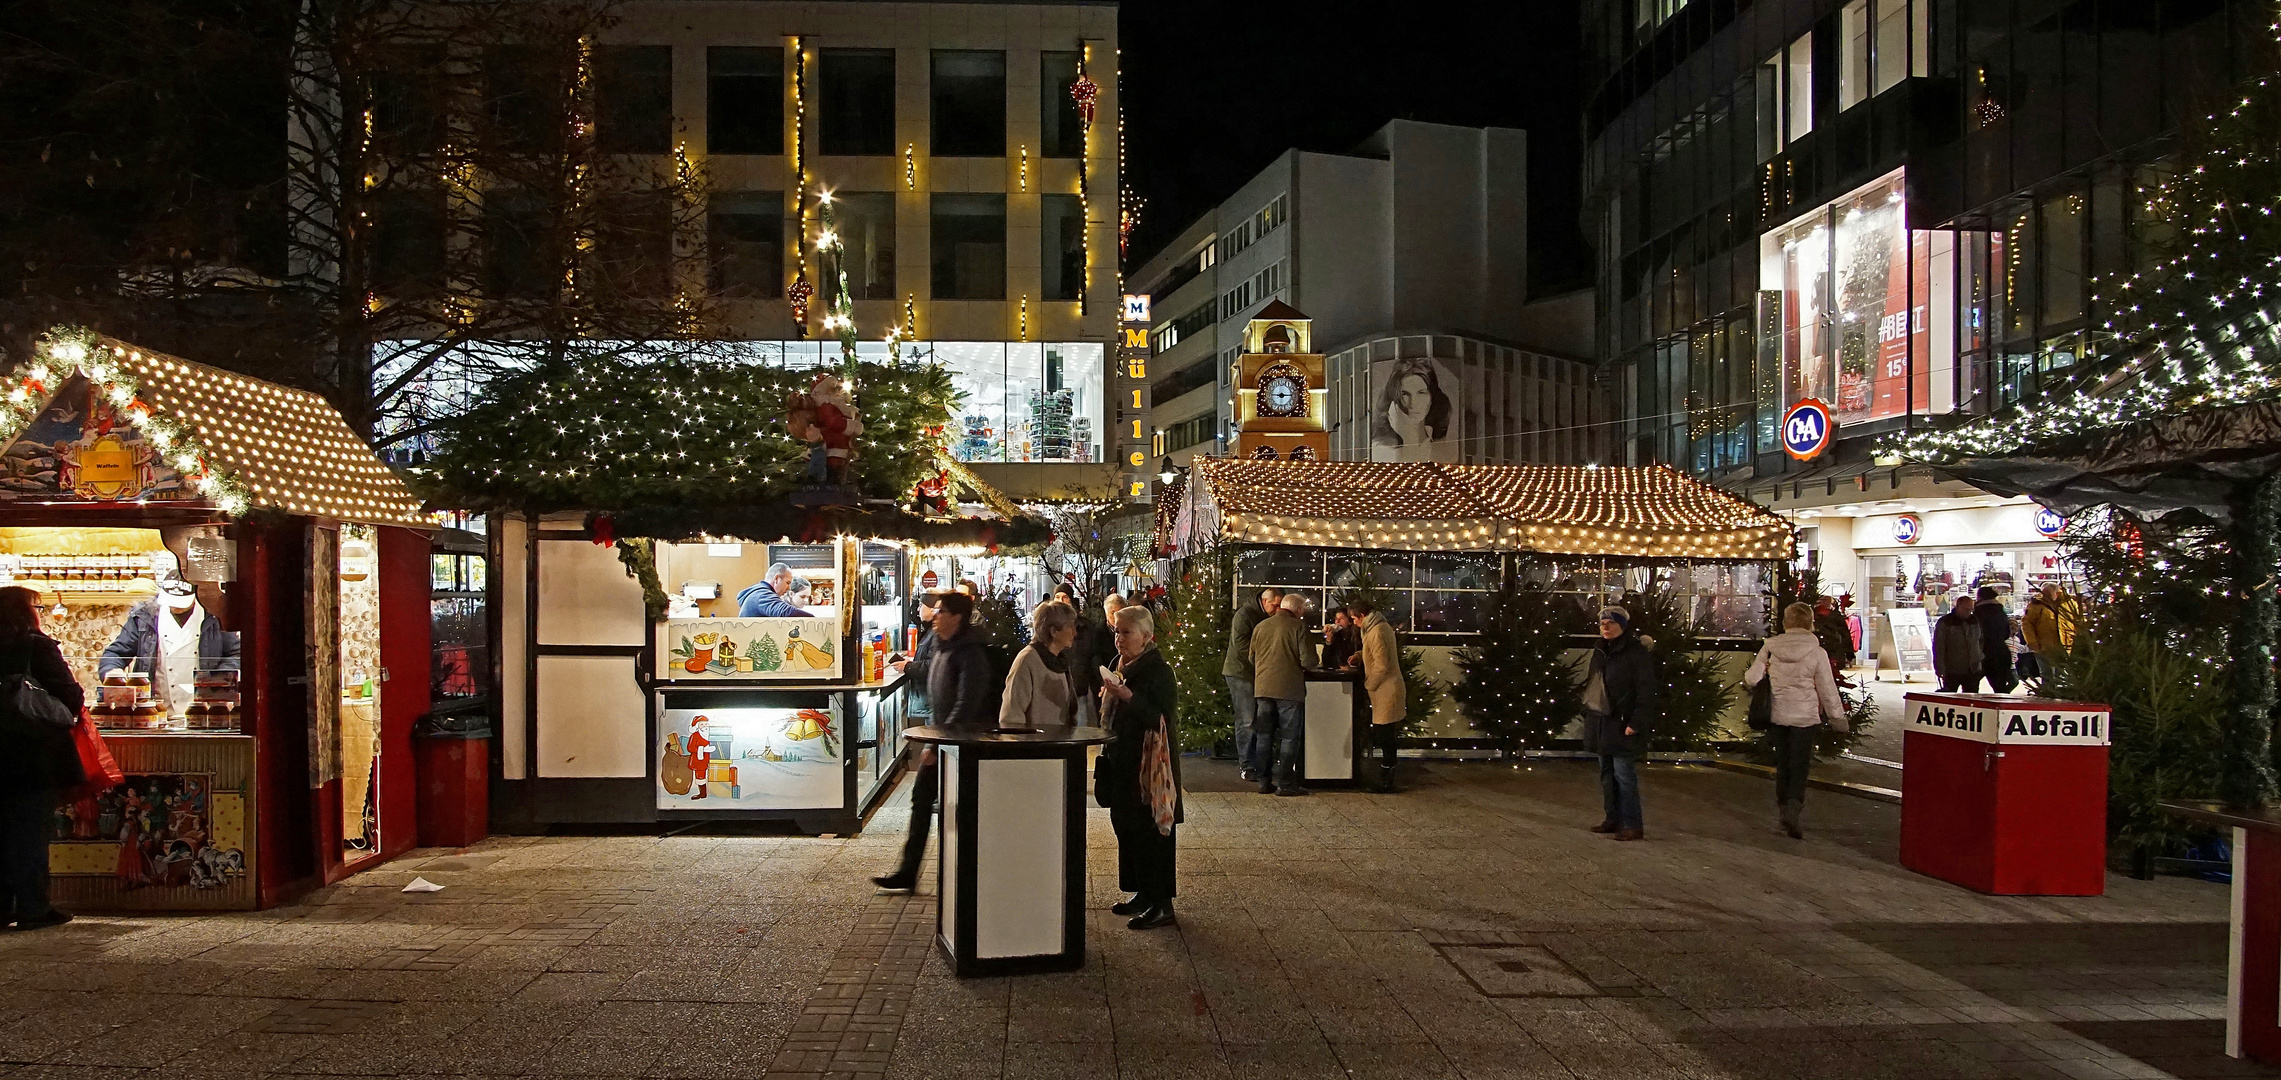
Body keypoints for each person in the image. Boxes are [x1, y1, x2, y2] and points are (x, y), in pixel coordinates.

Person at [873, 591, 991, 893]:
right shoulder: (944, 646)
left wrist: (938, 744)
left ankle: (960, 877)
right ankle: (909, 871)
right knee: (922, 801)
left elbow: (965, 704)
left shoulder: (969, 653)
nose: (934, 616)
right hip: (941, 740)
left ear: (957, 617)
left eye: (940, 611)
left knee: (953, 808)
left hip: (957, 746)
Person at [0, 585, 83, 930]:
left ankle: (2, 907)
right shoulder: (37, 645)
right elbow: (70, 695)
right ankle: (34, 906)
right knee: (29, 832)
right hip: (31, 755)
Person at [1097, 605, 1180, 929]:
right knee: (1127, 828)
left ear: (1146, 636)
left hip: (1149, 769)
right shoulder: (1122, 665)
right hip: (1123, 760)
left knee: (1151, 832)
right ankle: (1142, 893)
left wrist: (1128, 696)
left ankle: (1162, 904)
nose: (1119, 638)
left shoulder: (1158, 671)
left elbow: (1162, 719)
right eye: (1116, 631)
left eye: (1126, 632)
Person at [1746, 603, 1849, 839]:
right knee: (1800, 765)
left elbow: (1752, 679)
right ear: (1810, 623)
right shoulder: (1817, 652)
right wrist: (1838, 719)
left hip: (1778, 715)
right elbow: (1827, 689)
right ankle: (1794, 807)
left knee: (1783, 763)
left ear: (1786, 621)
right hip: (1805, 717)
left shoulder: (1771, 648)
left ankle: (1783, 810)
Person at [99, 576, 239, 719]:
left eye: (180, 602)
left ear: (195, 595)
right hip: (155, 711)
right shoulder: (145, 616)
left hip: (204, 710)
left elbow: (236, 653)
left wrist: (220, 680)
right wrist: (111, 671)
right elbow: (116, 652)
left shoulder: (214, 616)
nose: (175, 606)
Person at [1581, 606, 1656, 841]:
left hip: (1622, 721)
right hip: (1602, 719)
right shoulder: (1600, 650)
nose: (1605, 627)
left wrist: (1637, 720)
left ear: (1622, 626)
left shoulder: (1635, 653)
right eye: (1602, 623)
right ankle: (1612, 818)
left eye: (1610, 623)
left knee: (1624, 774)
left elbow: (1646, 690)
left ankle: (1632, 824)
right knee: (1606, 773)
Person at [1249, 594, 1316, 796]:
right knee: (1289, 738)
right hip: (1289, 690)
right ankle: (1285, 784)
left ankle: (1263, 781)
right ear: (1297, 610)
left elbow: (1251, 658)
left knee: (1264, 735)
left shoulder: (1260, 627)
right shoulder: (1299, 628)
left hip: (1262, 689)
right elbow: (1308, 661)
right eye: (1302, 609)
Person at [1222, 588, 1282, 782]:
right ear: (1265, 601)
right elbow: (1241, 646)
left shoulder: (1265, 617)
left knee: (1258, 719)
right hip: (1241, 673)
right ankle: (1247, 765)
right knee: (1247, 718)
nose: (1278, 609)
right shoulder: (1245, 615)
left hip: (1258, 673)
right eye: (1275, 605)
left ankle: (1257, 762)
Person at [1349, 599, 1406, 793]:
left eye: (1354, 619)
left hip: (1385, 689)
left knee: (1385, 734)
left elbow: (1382, 665)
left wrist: (1369, 685)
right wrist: (1359, 655)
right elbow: (1376, 652)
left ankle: (1386, 778)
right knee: (1385, 733)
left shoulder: (1377, 631)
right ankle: (1386, 775)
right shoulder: (1377, 628)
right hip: (1385, 689)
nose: (1354, 623)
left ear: (1362, 616)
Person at [1000, 601, 1079, 729]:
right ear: (1054, 631)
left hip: (1059, 744)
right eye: (1070, 626)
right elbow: (1011, 714)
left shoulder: (1060, 661)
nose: (1074, 633)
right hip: (1035, 745)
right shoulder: (1028, 660)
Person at [1368, 357, 1453, 459]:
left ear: (1432, 398)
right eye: (1405, 394)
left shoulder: (1440, 440)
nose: (1413, 403)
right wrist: (1408, 438)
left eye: (1421, 393)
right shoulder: (1381, 447)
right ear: (1394, 399)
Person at [1933, 594, 1985, 693]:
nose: (1969, 612)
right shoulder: (1945, 622)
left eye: (1970, 609)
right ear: (1957, 606)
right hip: (1952, 669)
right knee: (1950, 697)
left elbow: (1980, 640)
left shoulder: (1975, 621)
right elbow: (1939, 646)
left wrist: (1979, 656)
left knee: (1971, 699)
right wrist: (1939, 667)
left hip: (1973, 669)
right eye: (1966, 609)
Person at [1973, 586, 2019, 693]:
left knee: (1971, 686)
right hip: (2000, 652)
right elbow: (2006, 634)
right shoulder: (2000, 612)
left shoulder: (1977, 613)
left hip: (1981, 653)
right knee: (1999, 688)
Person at [2021, 584, 2067, 682]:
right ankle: (2048, 694)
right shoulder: (2036, 606)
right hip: (2044, 646)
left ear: (2057, 593)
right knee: (2047, 674)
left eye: (2048, 595)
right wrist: (2032, 642)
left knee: (2062, 675)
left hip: (2064, 646)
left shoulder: (2068, 604)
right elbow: (2027, 625)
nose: (2046, 597)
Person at [736, 563, 814, 618]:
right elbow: (786, 612)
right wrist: (815, 621)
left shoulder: (757, 593)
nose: (788, 588)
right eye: (787, 583)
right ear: (776, 579)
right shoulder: (762, 595)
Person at [1811, 596, 1856, 680]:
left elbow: (1845, 634)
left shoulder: (1815, 617)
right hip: (1833, 651)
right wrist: (1849, 653)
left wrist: (1849, 652)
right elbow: (1845, 634)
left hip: (1832, 651)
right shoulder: (1834, 617)